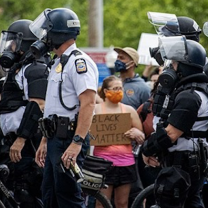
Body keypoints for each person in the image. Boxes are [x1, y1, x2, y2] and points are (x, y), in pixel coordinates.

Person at [31, 8, 99, 208]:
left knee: (68, 197)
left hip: (69, 139)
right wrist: (45, 140)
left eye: (47, 31)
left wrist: (77, 142)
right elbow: (54, 108)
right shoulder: (59, 63)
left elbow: (88, 104)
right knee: (50, 196)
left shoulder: (79, 62)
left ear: (58, 32)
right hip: (55, 139)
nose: (45, 36)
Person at [141, 36, 208, 208]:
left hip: (183, 165)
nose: (171, 67)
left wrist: (147, 149)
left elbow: (170, 134)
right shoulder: (193, 91)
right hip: (188, 165)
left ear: (184, 66)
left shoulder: (190, 96)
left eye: (175, 63)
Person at [0, 19, 49, 207]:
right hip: (12, 140)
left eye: (14, 41)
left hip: (27, 143)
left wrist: (21, 139)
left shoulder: (35, 68)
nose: (10, 46)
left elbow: (37, 105)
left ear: (25, 43)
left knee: (26, 191)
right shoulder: (18, 68)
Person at [93, 75, 145, 208]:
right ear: (106, 91)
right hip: (103, 163)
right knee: (101, 203)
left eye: (121, 88)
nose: (119, 91)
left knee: (122, 203)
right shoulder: (96, 110)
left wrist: (137, 133)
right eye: (115, 88)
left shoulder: (129, 110)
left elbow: (141, 137)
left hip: (125, 162)